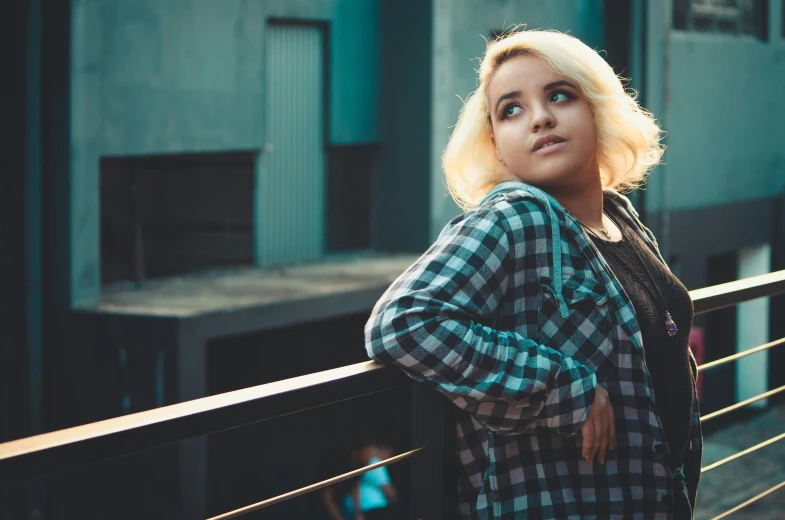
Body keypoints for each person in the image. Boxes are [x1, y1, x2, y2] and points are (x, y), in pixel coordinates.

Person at [365, 28, 702, 519]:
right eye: (511, 110)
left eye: (559, 96)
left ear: (597, 109)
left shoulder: (622, 218)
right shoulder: (516, 217)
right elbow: (405, 321)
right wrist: (566, 390)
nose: (540, 118)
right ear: (498, 146)